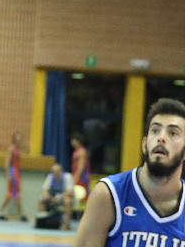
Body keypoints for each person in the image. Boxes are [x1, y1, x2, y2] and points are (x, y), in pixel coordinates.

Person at [74, 98, 185, 246]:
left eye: (172, 133)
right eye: (155, 130)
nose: (161, 138)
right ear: (144, 144)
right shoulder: (109, 194)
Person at [0, 131, 28, 221]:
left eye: (20, 140)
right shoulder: (11, 149)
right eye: (17, 139)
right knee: (14, 194)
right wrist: (8, 174)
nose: (19, 141)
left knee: (13, 194)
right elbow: (7, 162)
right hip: (13, 172)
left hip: (16, 173)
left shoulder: (17, 149)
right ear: (14, 140)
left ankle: (1, 211)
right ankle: (21, 214)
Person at [37, 163, 74, 230]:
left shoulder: (67, 176)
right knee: (41, 199)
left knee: (68, 201)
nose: (55, 173)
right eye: (54, 171)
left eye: (57, 171)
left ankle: (66, 224)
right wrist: (48, 197)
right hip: (52, 198)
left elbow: (69, 192)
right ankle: (42, 222)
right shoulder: (50, 176)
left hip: (63, 198)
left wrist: (57, 198)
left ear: (61, 171)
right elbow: (45, 190)